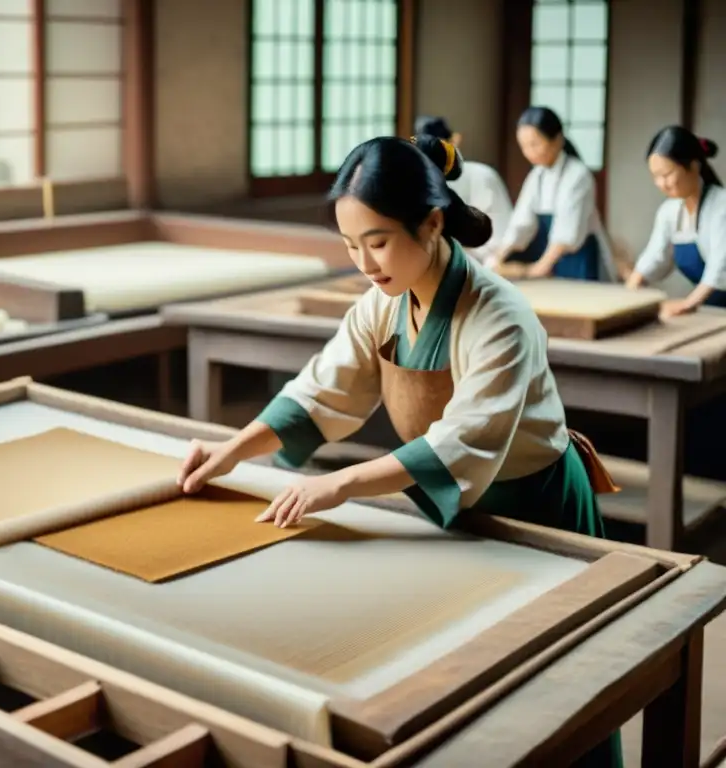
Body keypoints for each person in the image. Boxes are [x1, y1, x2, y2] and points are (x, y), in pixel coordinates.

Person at [176, 133, 622, 768]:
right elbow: (320, 389)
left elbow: (463, 439)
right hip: (454, 509)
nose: (364, 262)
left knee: (560, 683)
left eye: (378, 241)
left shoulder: (500, 316)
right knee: (476, 694)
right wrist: (231, 450)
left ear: (433, 223)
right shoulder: (379, 306)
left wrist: (342, 483)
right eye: (351, 245)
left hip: (537, 507)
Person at [491, 106, 618, 282]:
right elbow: (521, 222)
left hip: (579, 260)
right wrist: (499, 255)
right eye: (524, 146)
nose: (529, 152)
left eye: (535, 144)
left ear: (557, 140)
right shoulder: (537, 175)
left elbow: (567, 232)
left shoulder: (578, 174)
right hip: (551, 260)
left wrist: (540, 267)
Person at [626, 126, 726, 315]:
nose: (661, 184)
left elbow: (720, 267)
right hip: (713, 311)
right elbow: (656, 257)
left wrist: (687, 304)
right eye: (655, 176)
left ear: (694, 166)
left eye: (667, 174)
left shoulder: (722, 206)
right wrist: (631, 289)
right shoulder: (669, 211)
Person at [415, 114, 514, 264]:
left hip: (487, 257)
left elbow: (500, 235)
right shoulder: (418, 182)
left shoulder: (482, 175)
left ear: (454, 141)